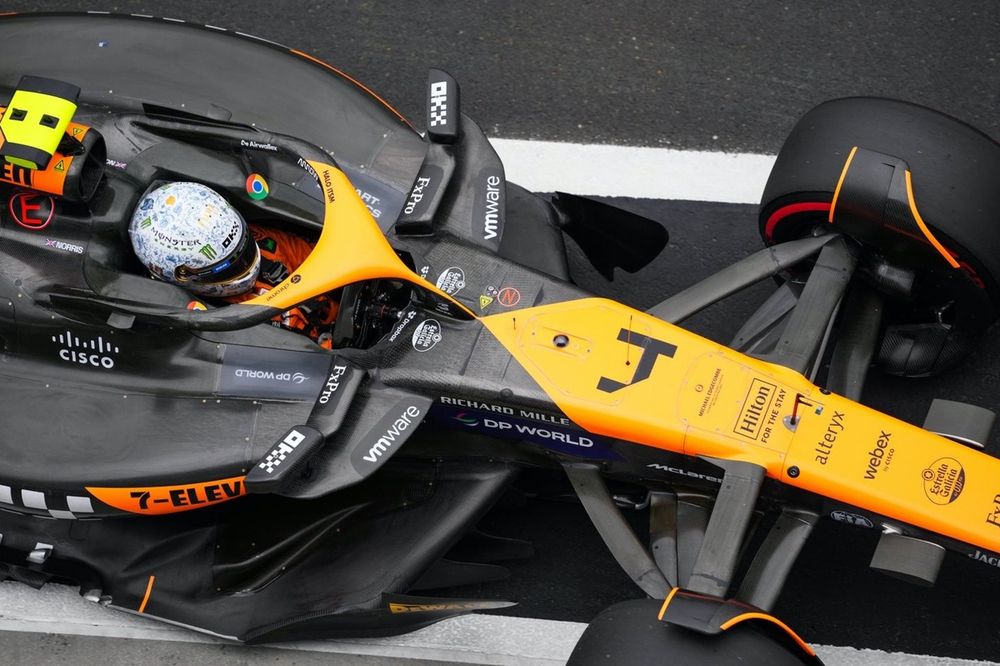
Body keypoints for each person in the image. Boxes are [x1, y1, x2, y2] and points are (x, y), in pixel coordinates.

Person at [129, 181, 337, 347]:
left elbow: (326, 258)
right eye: (230, 266)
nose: (246, 264)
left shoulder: (263, 242)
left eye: (243, 249)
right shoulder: (213, 327)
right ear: (183, 276)